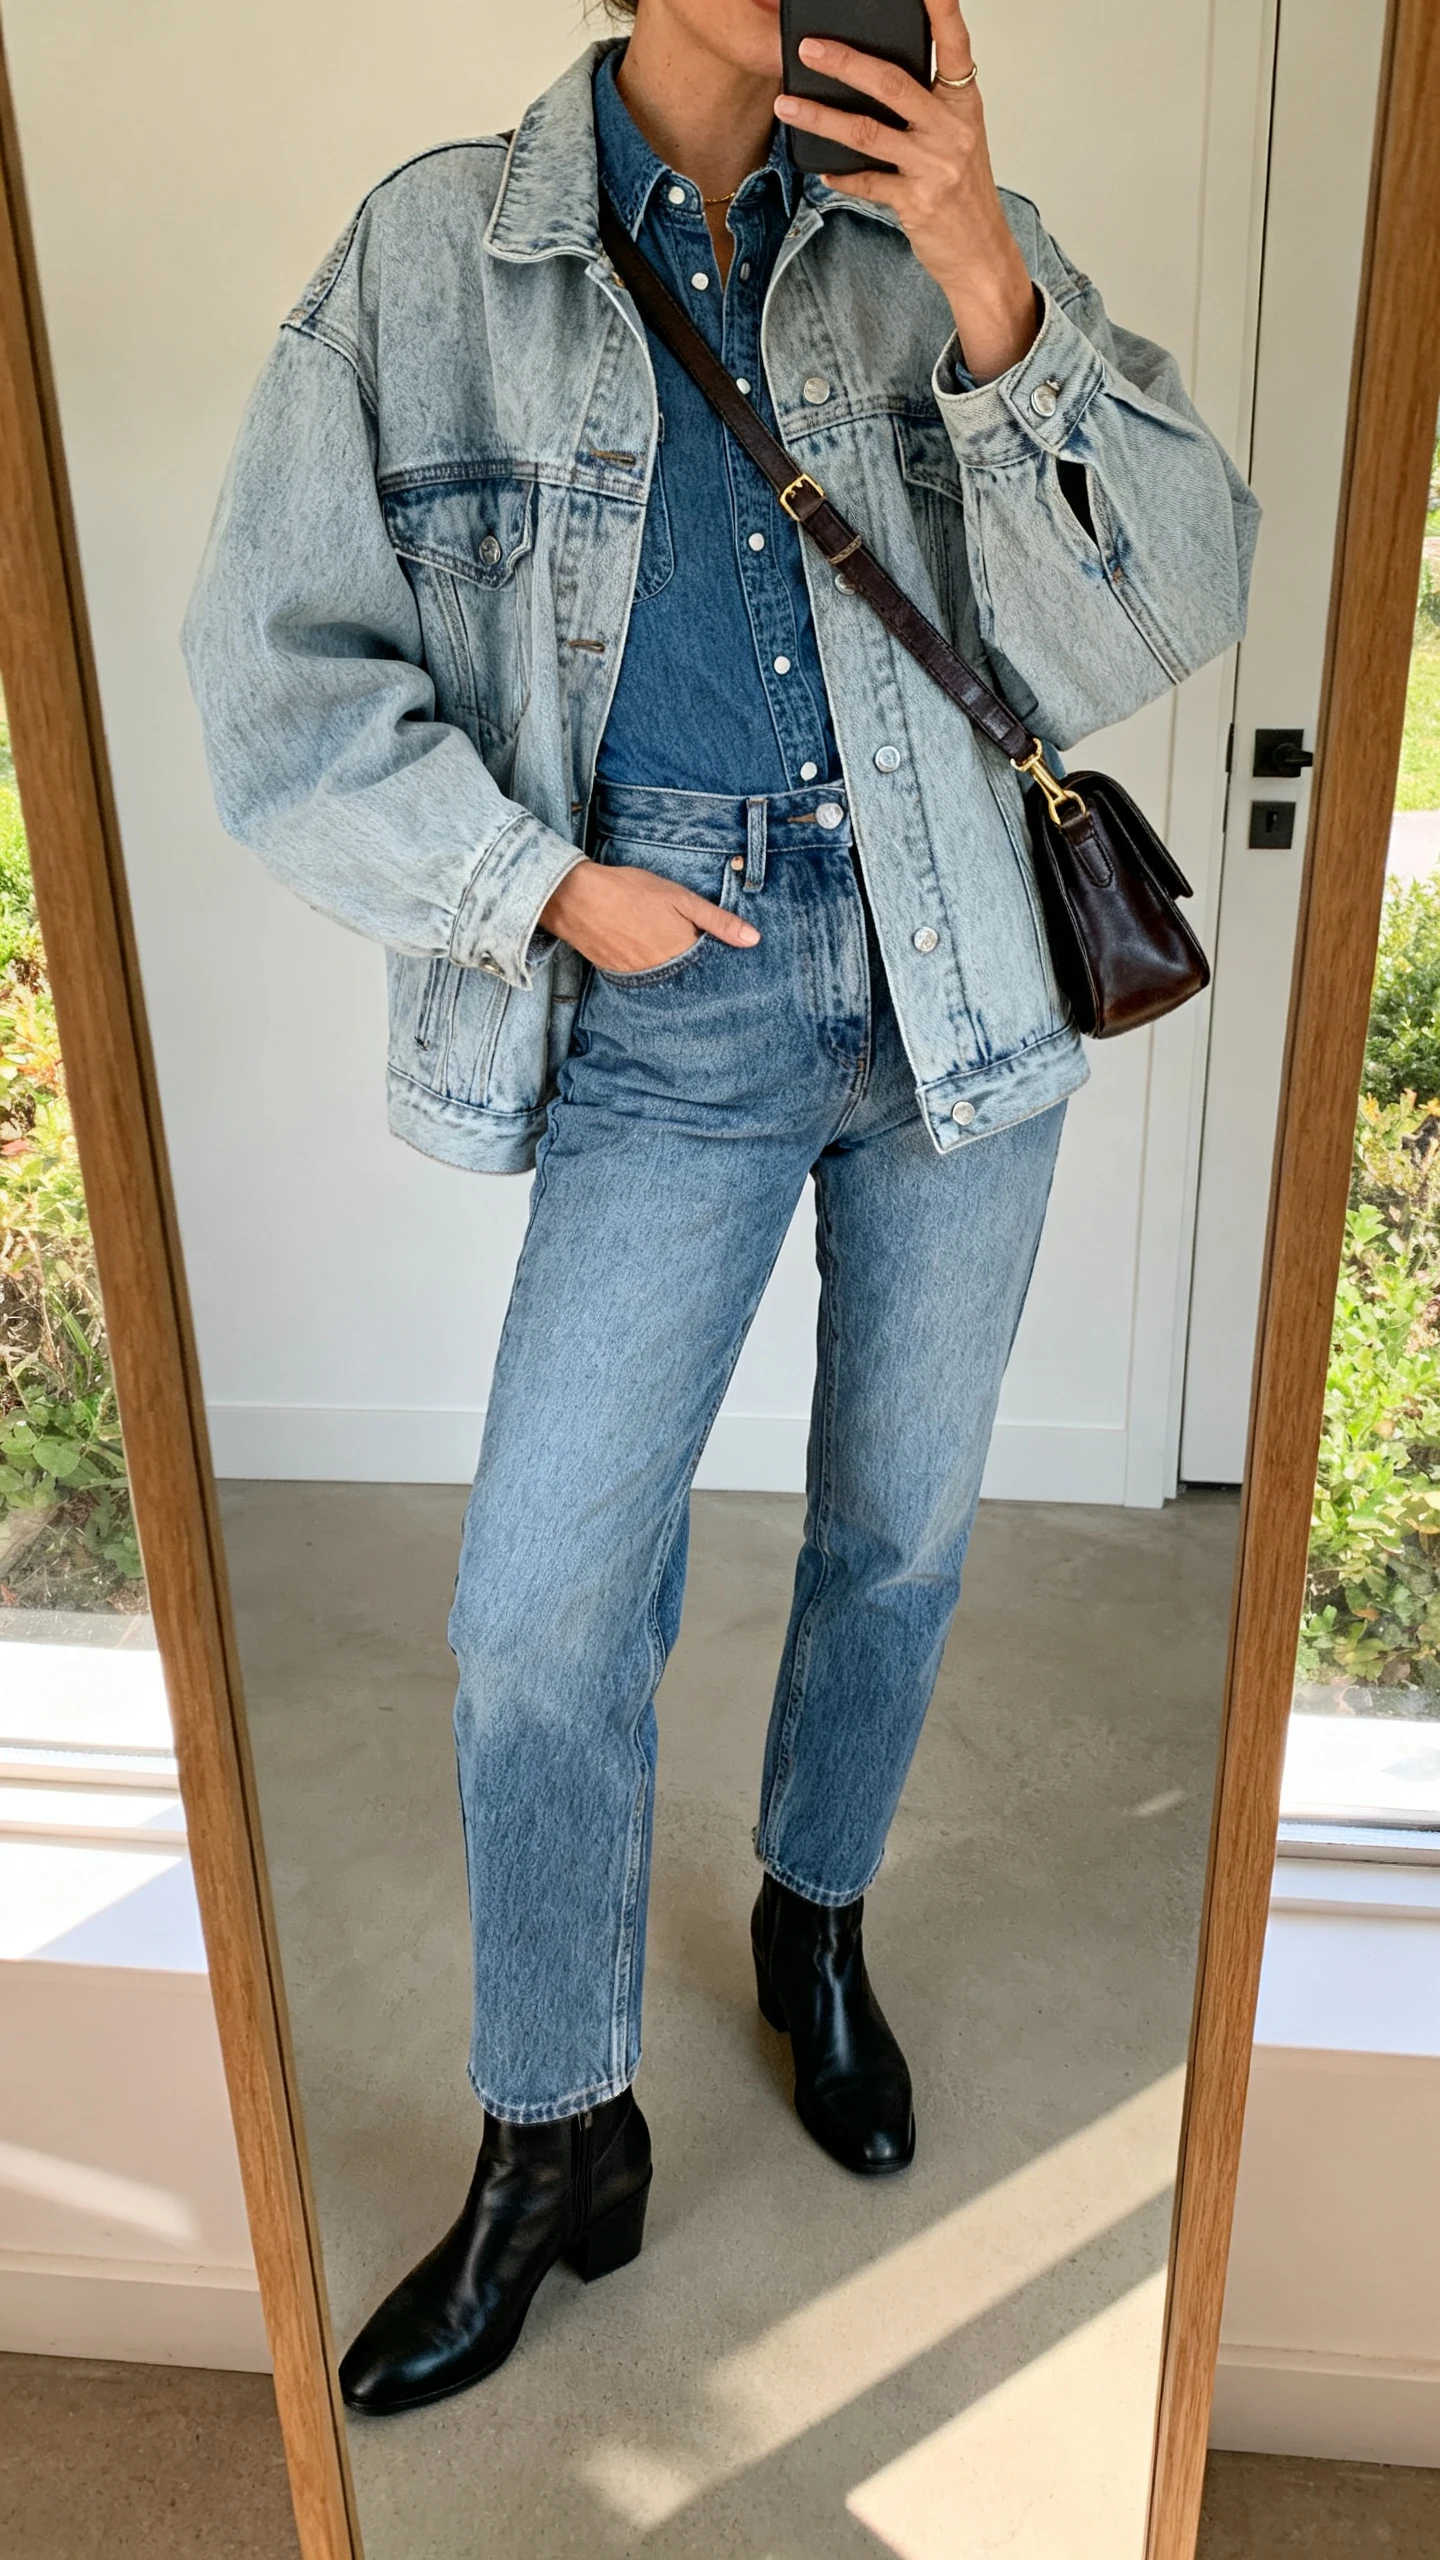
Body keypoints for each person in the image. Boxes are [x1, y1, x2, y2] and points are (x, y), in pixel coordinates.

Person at [183, 0, 1257, 2417]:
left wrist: (987, 269)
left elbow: (1169, 594)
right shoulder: (434, 260)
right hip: (672, 995)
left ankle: (813, 1906)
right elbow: (271, 682)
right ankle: (558, 2127)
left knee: (897, 1525)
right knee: (540, 1610)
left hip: (963, 993)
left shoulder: (932, 222)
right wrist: (537, 887)